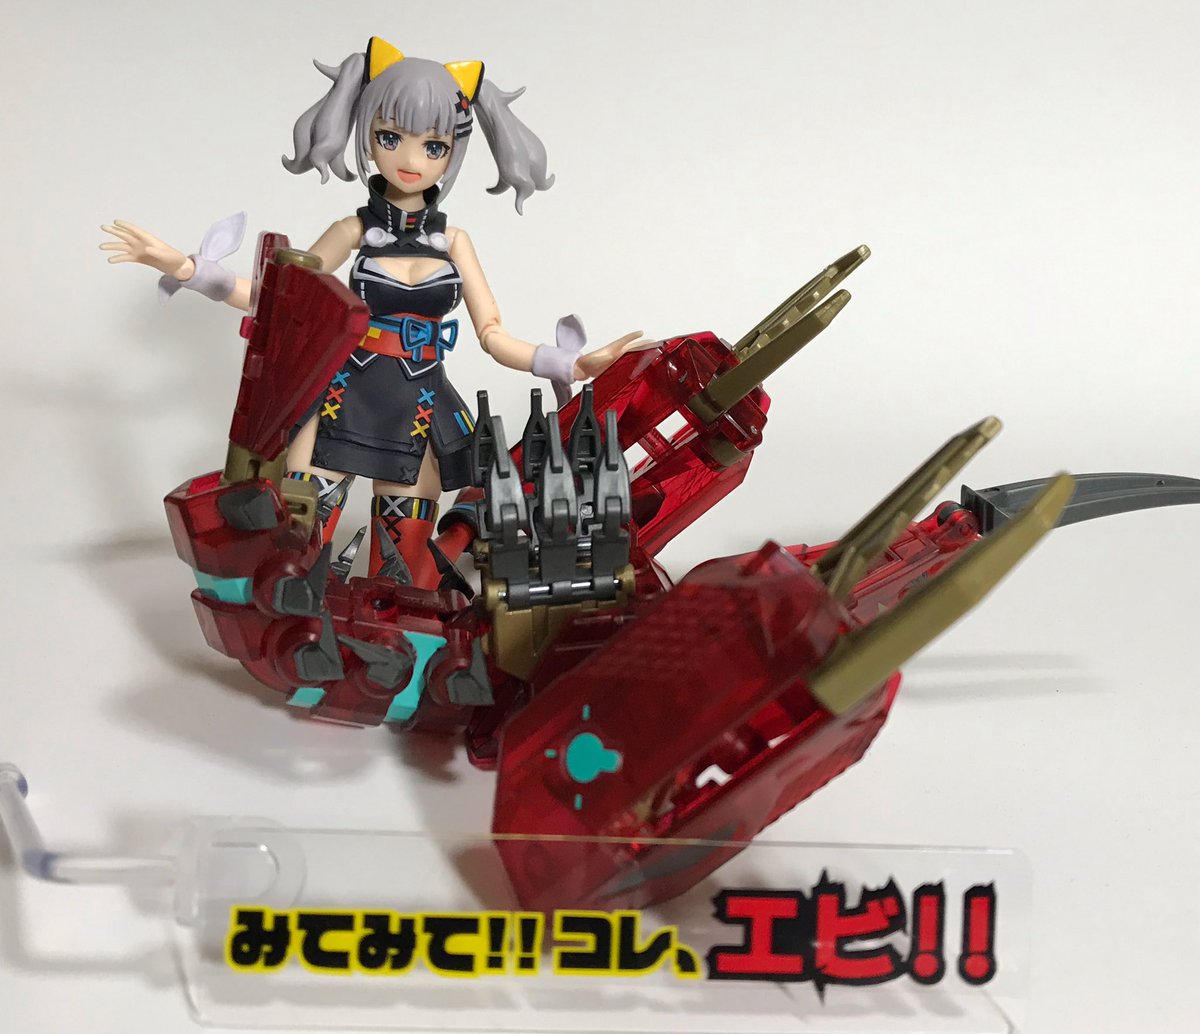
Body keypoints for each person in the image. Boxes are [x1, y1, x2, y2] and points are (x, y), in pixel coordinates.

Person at [102, 37, 645, 588]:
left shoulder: (455, 242)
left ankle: (407, 607)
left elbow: (492, 334)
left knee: (401, 574)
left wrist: (568, 364)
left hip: (420, 406)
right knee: (296, 551)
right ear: (368, 134)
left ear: (453, 150)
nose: (410, 160)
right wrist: (189, 268)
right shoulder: (353, 231)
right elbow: (279, 296)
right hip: (343, 397)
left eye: (433, 146)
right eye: (391, 137)